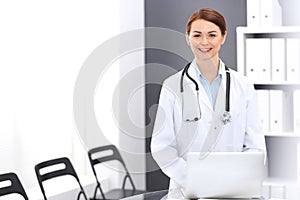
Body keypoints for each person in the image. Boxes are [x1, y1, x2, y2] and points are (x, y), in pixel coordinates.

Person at [150, 8, 266, 192]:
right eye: (197, 35)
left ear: (223, 36)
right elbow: (162, 147)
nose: (204, 42)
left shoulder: (243, 86)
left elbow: (255, 147)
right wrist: (193, 179)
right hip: (187, 189)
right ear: (187, 37)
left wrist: (234, 179)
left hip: (232, 188)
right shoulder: (172, 86)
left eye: (212, 35)